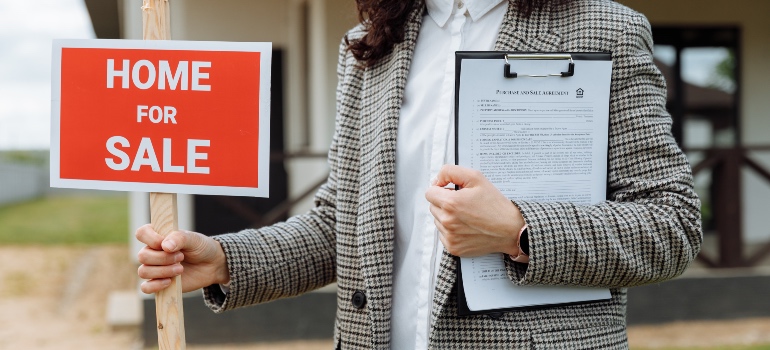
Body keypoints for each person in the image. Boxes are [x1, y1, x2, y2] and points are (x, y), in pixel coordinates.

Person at [136, 0, 703, 348]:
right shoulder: (368, 47)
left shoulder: (604, 29)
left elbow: (670, 223)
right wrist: (227, 260)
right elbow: (346, 224)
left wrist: (518, 230)